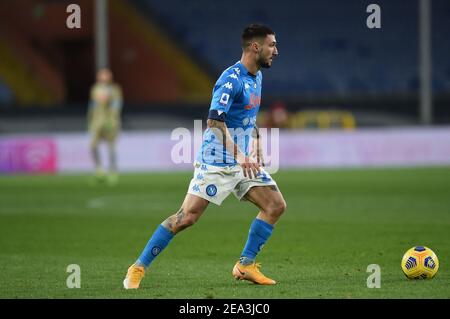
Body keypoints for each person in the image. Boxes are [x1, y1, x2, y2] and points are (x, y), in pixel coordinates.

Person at [123, 24, 286, 288]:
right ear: (255, 47)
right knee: (186, 218)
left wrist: (255, 142)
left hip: (242, 161)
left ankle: (245, 265)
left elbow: (247, 118)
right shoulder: (230, 79)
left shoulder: (257, 77)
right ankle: (138, 267)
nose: (276, 51)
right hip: (216, 161)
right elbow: (214, 122)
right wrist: (240, 156)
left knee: (275, 206)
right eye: (272, 45)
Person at [87, 68, 123, 185]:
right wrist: (90, 120)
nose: (104, 76)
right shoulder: (95, 89)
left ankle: (113, 172)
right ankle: (99, 170)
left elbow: (117, 105)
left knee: (111, 146)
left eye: (106, 74)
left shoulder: (114, 89)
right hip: (97, 122)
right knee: (92, 145)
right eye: (102, 74)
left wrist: (112, 120)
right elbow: (93, 105)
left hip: (110, 122)